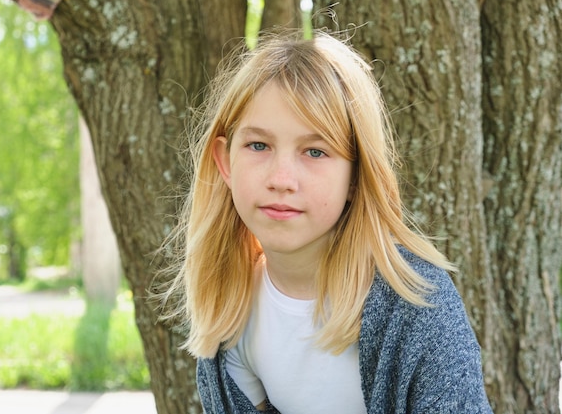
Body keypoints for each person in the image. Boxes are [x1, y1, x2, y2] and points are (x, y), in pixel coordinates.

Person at [162, 29, 493, 413]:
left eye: (315, 152)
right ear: (225, 162)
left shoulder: (417, 306)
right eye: (258, 145)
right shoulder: (232, 310)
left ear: (356, 177)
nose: (281, 180)